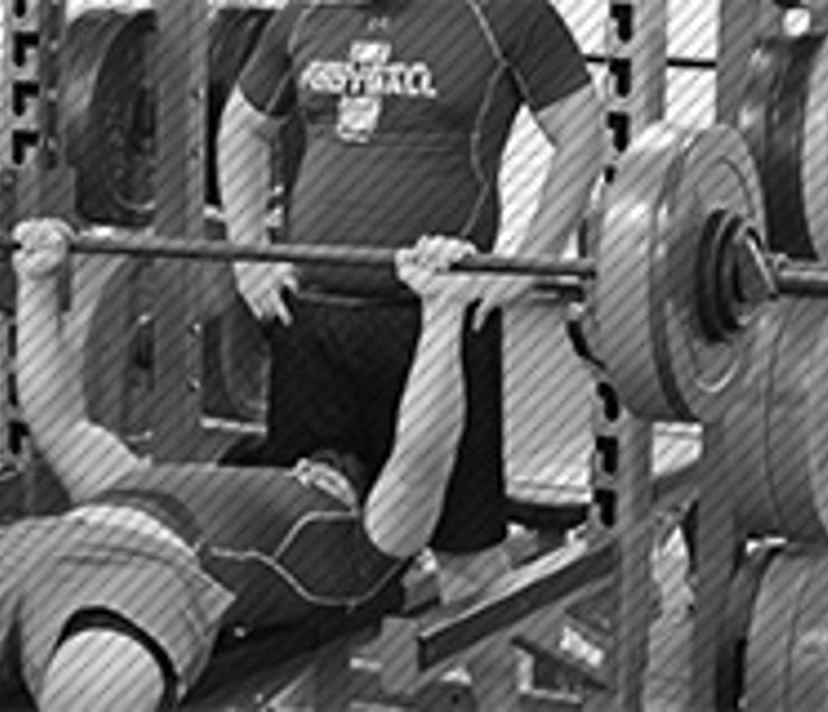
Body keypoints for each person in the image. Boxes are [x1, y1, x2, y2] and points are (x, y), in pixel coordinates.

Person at [0, 219, 481, 711]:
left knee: (94, 696)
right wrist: (36, 283)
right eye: (310, 466)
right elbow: (58, 421)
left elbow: (421, 458)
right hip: (22, 549)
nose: (312, 467)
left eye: (332, 478)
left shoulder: (363, 552)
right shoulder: (132, 482)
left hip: (145, 583)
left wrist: (443, 312)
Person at [218, 3, 602, 705]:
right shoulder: (306, 14)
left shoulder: (503, 13)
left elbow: (581, 129)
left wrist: (532, 262)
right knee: (304, 548)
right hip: (315, 328)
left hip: (437, 326)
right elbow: (243, 125)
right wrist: (248, 257)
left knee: (469, 562)